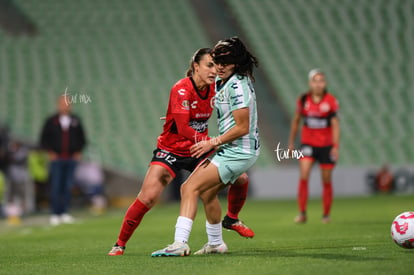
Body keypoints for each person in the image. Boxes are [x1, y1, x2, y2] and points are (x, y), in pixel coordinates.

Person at [108, 47, 254, 256]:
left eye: (216, 65)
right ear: (196, 66)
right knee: (148, 196)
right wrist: (210, 141)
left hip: (198, 149)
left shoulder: (217, 88)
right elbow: (184, 128)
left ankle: (224, 230)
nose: (214, 70)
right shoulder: (182, 88)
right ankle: (119, 244)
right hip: (172, 149)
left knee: (237, 179)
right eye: (209, 65)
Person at [151, 37, 260, 257]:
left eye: (225, 61)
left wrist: (212, 141)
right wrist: (177, 116)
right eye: (217, 60)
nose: (219, 66)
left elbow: (242, 127)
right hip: (233, 150)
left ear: (236, 62)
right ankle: (216, 243)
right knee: (208, 192)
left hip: (237, 151)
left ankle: (179, 243)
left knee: (188, 188)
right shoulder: (225, 79)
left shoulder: (237, 86)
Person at [288, 69, 340, 224]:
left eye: (321, 81)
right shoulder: (304, 100)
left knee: (326, 179)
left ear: (325, 84)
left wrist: (335, 146)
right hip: (308, 144)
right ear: (310, 83)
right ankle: (302, 213)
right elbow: (296, 121)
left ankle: (326, 215)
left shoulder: (331, 101)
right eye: (315, 81)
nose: (318, 84)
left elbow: (335, 125)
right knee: (304, 175)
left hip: (326, 146)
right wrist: (291, 142)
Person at [40, 95, 87, 225]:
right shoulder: (51, 121)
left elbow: (82, 139)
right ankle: (55, 213)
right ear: (58, 105)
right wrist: (50, 152)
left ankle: (65, 212)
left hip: (71, 159)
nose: (65, 105)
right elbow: (43, 139)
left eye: (68, 103)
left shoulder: (76, 120)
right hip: (57, 159)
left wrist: (78, 152)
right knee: (56, 186)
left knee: (68, 186)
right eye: (63, 103)